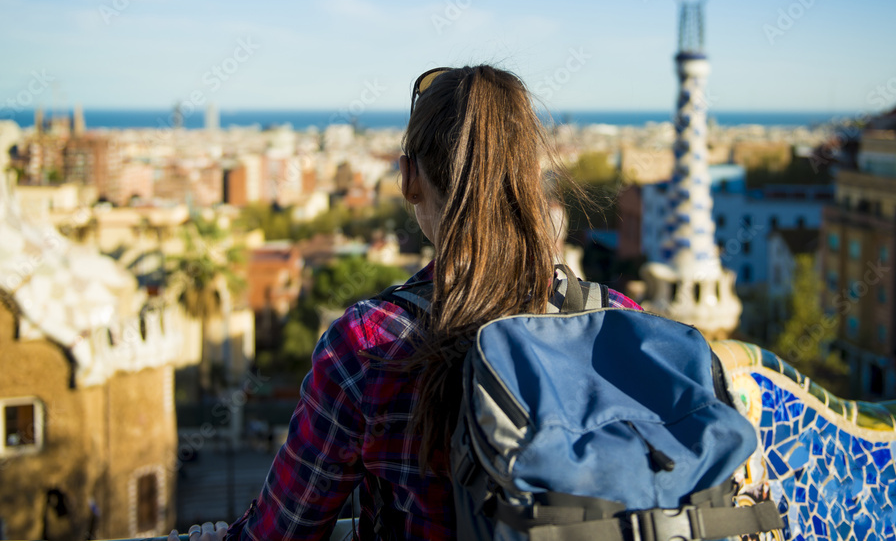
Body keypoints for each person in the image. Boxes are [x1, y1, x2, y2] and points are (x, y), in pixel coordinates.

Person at [177, 65, 641, 541]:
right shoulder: (620, 323)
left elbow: (282, 532)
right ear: (528, 179)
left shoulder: (366, 345)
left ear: (408, 178)